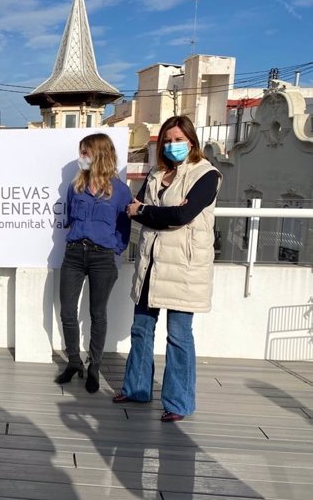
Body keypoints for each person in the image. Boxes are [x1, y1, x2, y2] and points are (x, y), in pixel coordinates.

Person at [113, 115, 222, 422]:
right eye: (168, 140)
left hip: (183, 268)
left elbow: (182, 214)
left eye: (179, 139)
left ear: (191, 141)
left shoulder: (206, 175)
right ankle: (136, 388)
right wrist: (149, 212)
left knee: (179, 335)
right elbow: (136, 210)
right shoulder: (156, 174)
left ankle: (178, 403)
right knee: (141, 330)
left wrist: (147, 211)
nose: (173, 145)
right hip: (151, 264)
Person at [56, 133, 132, 393]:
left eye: (86, 153)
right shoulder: (75, 186)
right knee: (67, 311)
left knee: (97, 314)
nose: (82, 158)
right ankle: (74, 362)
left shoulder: (121, 191)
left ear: (99, 155)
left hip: (102, 258)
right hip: (74, 253)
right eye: (81, 153)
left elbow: (124, 227)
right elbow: (68, 216)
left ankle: (94, 367)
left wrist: (114, 251)